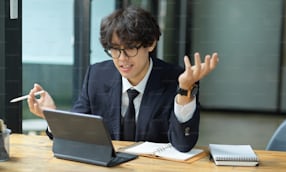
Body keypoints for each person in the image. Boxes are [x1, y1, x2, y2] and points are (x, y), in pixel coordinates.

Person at [27, 6, 219, 152]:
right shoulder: (97, 75)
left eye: (130, 48)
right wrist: (50, 114)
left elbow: (183, 144)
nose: (121, 58)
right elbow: (78, 131)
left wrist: (184, 90)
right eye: (114, 50)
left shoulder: (176, 80)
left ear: (150, 44)